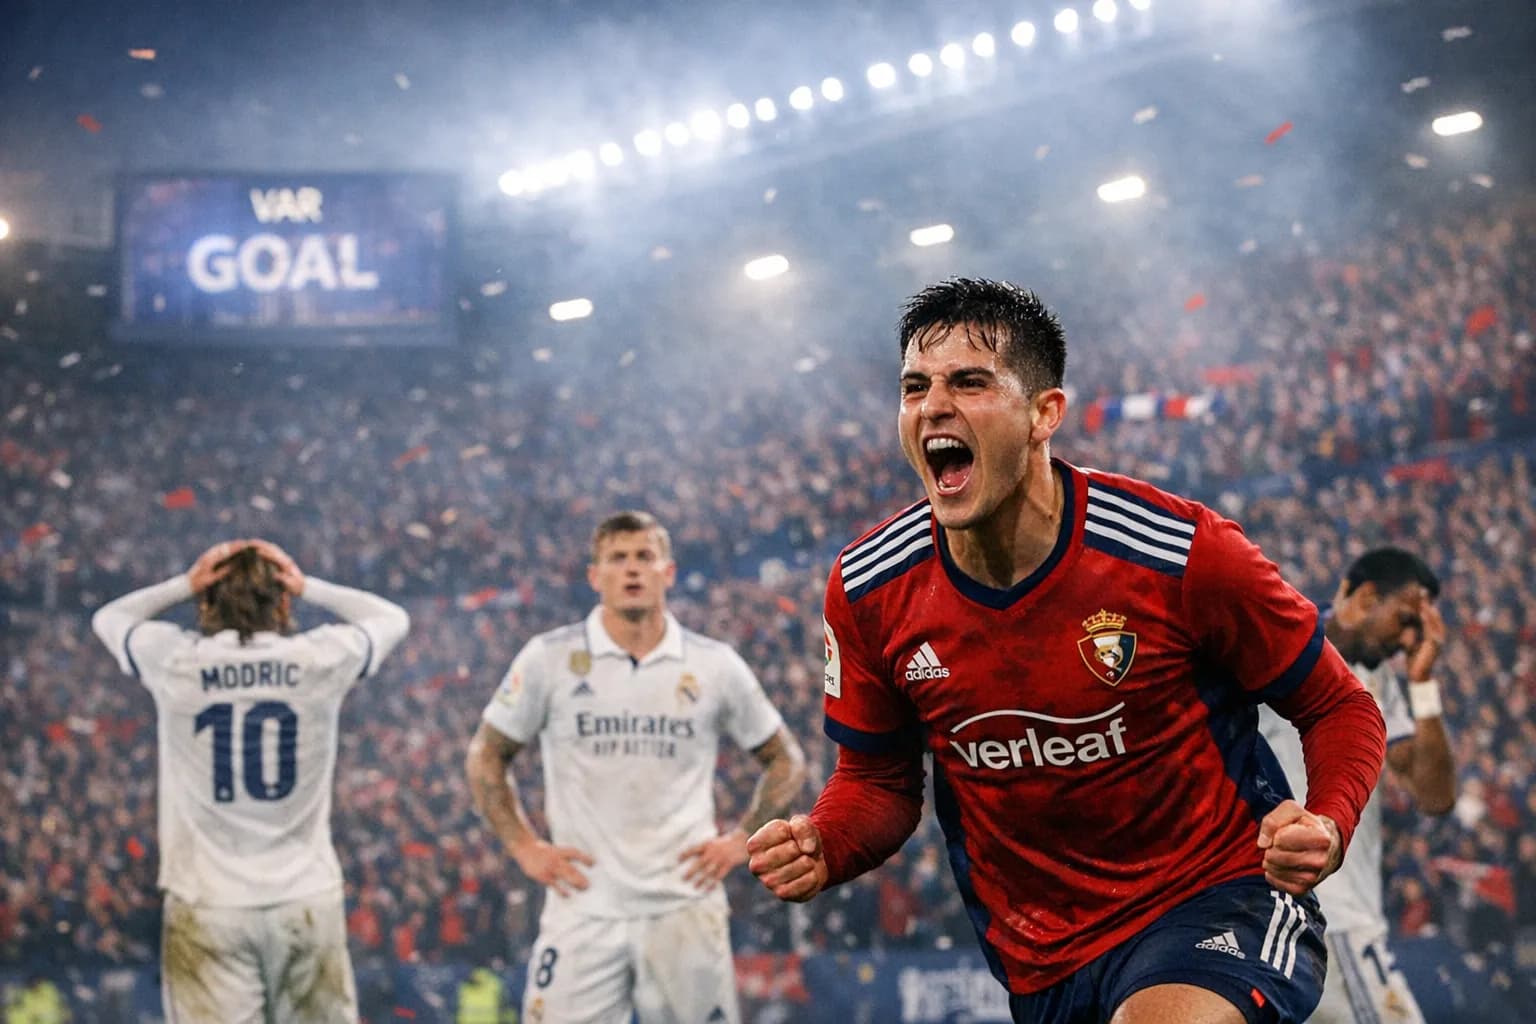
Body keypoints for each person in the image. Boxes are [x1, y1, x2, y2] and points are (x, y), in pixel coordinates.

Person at [746, 278, 1388, 1024]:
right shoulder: (868, 588)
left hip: (1219, 897)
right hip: (1043, 958)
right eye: (915, 387)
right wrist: (826, 842)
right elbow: (878, 781)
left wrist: (1330, 820)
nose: (933, 407)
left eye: (970, 382)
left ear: (1044, 414)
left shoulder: (1180, 553)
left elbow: (1337, 702)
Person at [466, 510, 807, 1024]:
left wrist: (741, 840)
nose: (632, 570)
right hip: (583, 905)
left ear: (667, 573)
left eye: (644, 557)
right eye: (617, 558)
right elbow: (486, 753)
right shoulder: (548, 659)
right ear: (594, 576)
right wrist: (522, 846)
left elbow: (786, 758)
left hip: (684, 905)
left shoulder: (713, 664)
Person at [92, 539, 409, 1023]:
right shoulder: (318, 658)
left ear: (206, 603)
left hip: (209, 903)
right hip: (303, 897)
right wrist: (309, 586)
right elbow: (392, 618)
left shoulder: (176, 661)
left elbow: (109, 618)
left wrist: (184, 582)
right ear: (283, 602)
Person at [1259, 547, 1455, 1023]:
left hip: (1331, 917)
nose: (1410, 638)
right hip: (1325, 919)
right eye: (1406, 619)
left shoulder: (1379, 678)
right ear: (1367, 597)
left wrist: (1423, 682)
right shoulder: (1277, 645)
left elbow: (1434, 796)